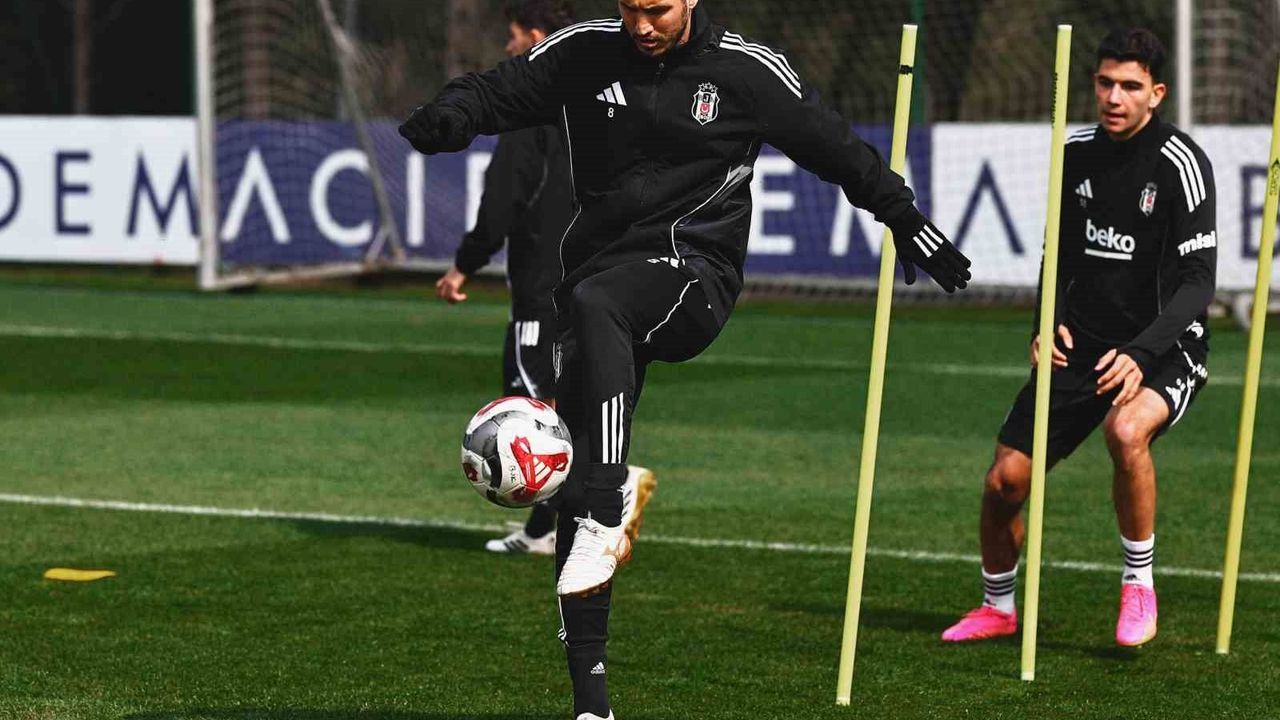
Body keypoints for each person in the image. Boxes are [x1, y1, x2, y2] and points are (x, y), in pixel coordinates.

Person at [401, 1, 971, 717]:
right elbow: (496, 90)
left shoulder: (745, 70)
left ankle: (611, 498)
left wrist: (907, 218)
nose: (642, 24)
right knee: (575, 498)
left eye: (658, 8)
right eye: (630, 7)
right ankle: (592, 705)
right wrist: (447, 116)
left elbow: (836, 149)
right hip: (595, 286)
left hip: (694, 276)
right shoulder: (584, 52)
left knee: (599, 363)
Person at [940, 28, 1216, 648]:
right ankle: (998, 606)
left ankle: (1138, 585)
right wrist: (1046, 318)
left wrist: (1142, 352)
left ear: (1157, 93)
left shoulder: (1182, 164)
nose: (1115, 97)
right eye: (1105, 83)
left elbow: (1199, 282)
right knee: (1004, 481)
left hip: (1164, 345)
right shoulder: (1076, 154)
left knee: (1127, 431)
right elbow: (1057, 253)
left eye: (1131, 86)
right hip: (1083, 344)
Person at [436, 1, 656, 558]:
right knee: (567, 399)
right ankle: (543, 530)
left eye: (513, 39)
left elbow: (501, 202)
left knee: (532, 410)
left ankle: (614, 484)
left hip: (545, 285)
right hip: (599, 275)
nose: (508, 49)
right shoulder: (603, 99)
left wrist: (464, 263)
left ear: (535, 38)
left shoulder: (531, 111)